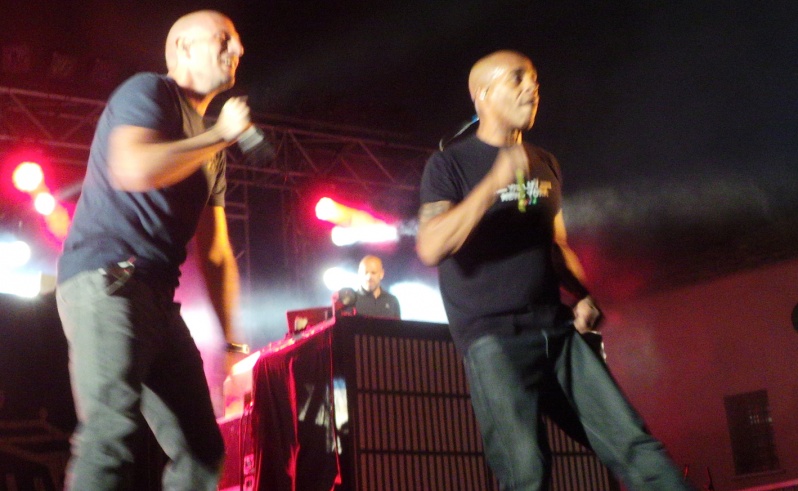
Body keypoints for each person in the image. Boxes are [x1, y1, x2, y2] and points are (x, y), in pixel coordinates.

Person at [416, 50, 693, 491]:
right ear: (482, 94)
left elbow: (555, 244)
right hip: (494, 339)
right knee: (526, 471)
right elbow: (431, 246)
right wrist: (493, 185)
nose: (532, 87)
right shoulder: (450, 164)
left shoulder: (545, 162)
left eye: (535, 80)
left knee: (635, 446)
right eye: (517, 79)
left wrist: (582, 294)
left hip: (557, 331)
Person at [55, 10, 250, 490]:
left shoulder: (210, 150)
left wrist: (232, 346)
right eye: (224, 40)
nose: (237, 50)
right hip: (108, 280)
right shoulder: (148, 92)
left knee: (203, 451)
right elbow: (133, 168)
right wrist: (218, 135)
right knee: (109, 435)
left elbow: (217, 253)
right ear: (182, 47)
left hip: (158, 298)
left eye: (238, 44)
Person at [354, 255, 401, 319]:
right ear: (359, 274)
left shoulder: (392, 301)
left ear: (381, 274)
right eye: (365, 273)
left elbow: (397, 325)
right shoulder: (352, 302)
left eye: (373, 273)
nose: (369, 277)